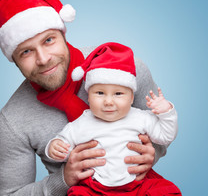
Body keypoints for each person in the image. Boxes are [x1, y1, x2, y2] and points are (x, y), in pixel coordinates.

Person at [0, 0, 169, 195]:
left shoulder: (126, 71)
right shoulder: (13, 122)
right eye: (26, 52)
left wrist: (153, 152)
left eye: (48, 40)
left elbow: (162, 128)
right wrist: (63, 180)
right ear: (14, 60)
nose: (44, 59)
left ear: (63, 34)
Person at [46, 42, 181, 195]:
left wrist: (166, 112)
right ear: (88, 97)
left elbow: (165, 136)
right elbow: (64, 146)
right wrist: (55, 148)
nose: (108, 101)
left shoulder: (140, 118)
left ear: (131, 98)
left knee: (167, 191)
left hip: (137, 184)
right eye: (100, 93)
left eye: (118, 94)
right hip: (95, 187)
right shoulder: (82, 122)